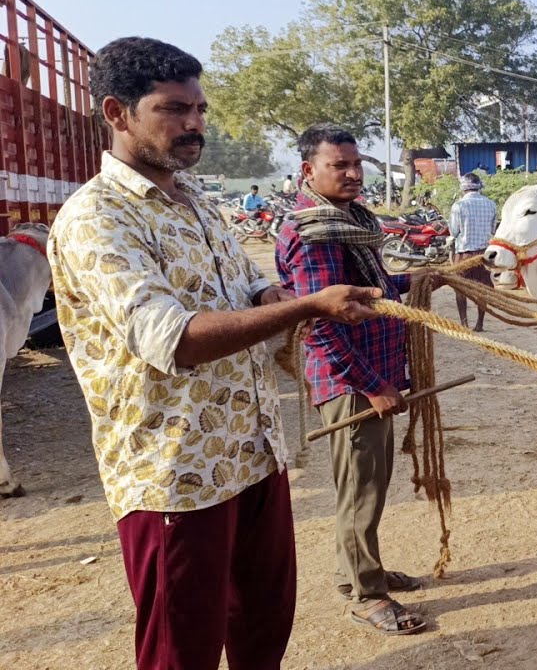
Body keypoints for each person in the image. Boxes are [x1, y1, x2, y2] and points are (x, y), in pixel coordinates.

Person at [47, 37, 382, 670]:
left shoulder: (195, 199)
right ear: (118, 113)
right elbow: (171, 339)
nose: (195, 124)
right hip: (176, 477)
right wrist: (308, 306)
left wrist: (275, 293)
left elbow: (244, 286)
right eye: (174, 109)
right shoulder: (97, 218)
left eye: (199, 108)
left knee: (262, 631)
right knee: (183, 652)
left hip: (252, 454)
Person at [275, 123, 429, 636]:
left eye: (356, 163)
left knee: (370, 484)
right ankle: (366, 594)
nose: (353, 173)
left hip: (374, 372)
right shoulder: (313, 232)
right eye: (339, 165)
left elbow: (376, 289)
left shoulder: (351, 223)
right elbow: (320, 323)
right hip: (352, 383)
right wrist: (372, 386)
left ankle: (359, 571)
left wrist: (423, 277)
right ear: (308, 171)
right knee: (361, 488)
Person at [449, 172, 498, 331]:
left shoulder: (459, 205)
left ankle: (464, 324)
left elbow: (454, 232)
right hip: (484, 254)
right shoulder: (491, 204)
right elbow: (492, 229)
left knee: (460, 288)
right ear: (479, 187)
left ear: (463, 188)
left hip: (464, 254)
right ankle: (479, 324)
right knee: (482, 289)